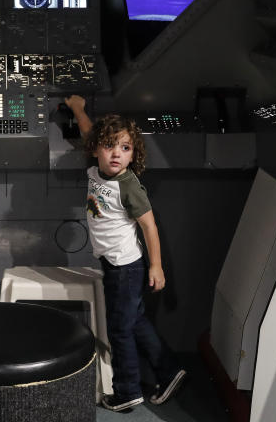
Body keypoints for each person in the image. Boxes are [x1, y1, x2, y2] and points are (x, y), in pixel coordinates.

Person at [64, 95, 186, 411]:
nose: (116, 153)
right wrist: (78, 110)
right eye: (110, 146)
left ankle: (127, 391)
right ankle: (169, 370)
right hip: (113, 263)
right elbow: (91, 131)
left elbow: (150, 227)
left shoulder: (128, 185)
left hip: (126, 267)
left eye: (125, 148)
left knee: (120, 329)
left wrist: (156, 266)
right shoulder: (96, 171)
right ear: (96, 150)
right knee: (134, 321)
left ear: (133, 155)